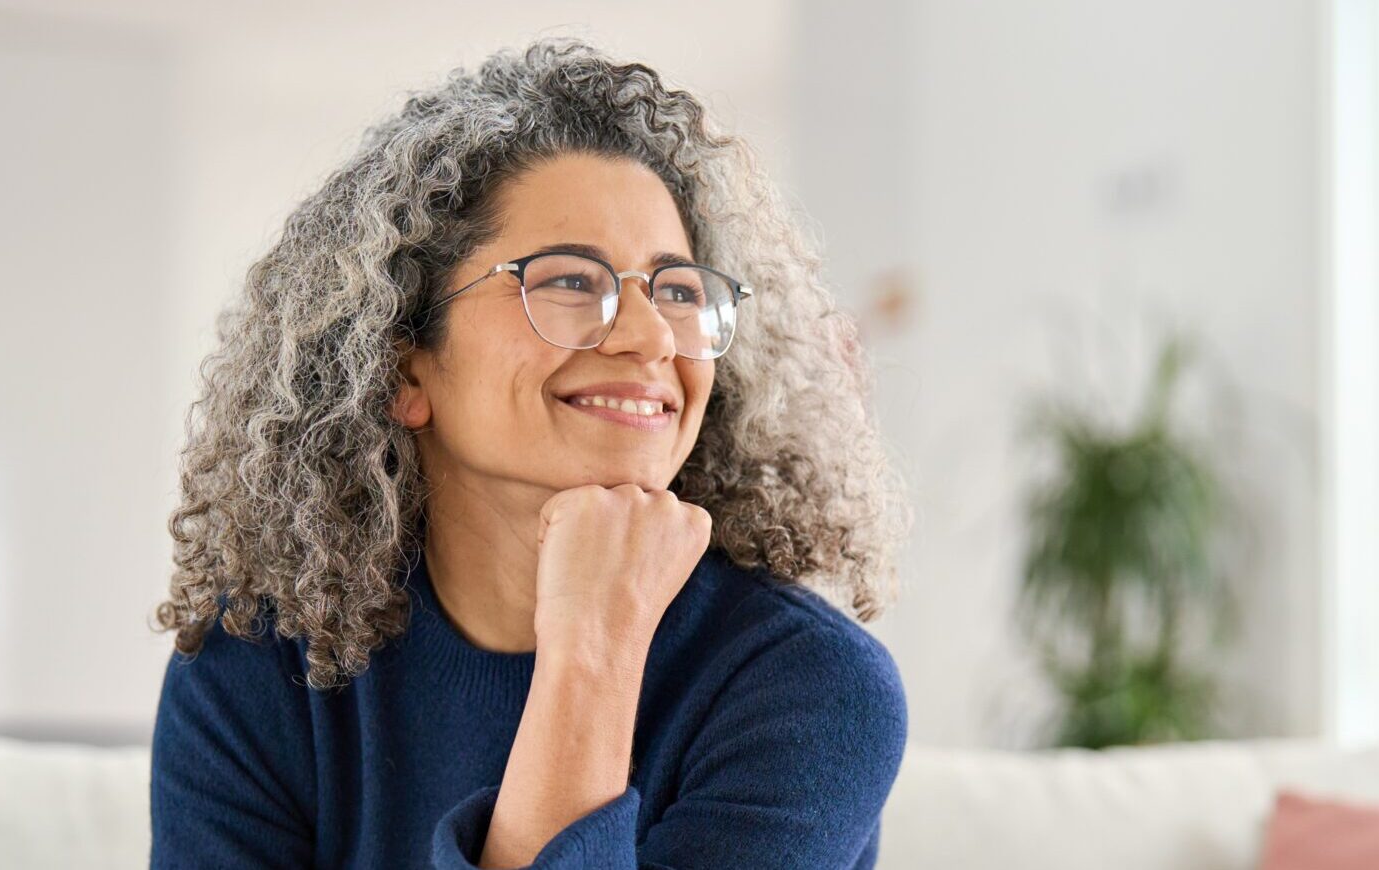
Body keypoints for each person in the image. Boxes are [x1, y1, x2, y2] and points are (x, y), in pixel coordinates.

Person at [145, 37, 912, 869]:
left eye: (680, 290)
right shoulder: (259, 662)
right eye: (570, 280)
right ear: (402, 363)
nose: (652, 336)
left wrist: (595, 645)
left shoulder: (807, 688)